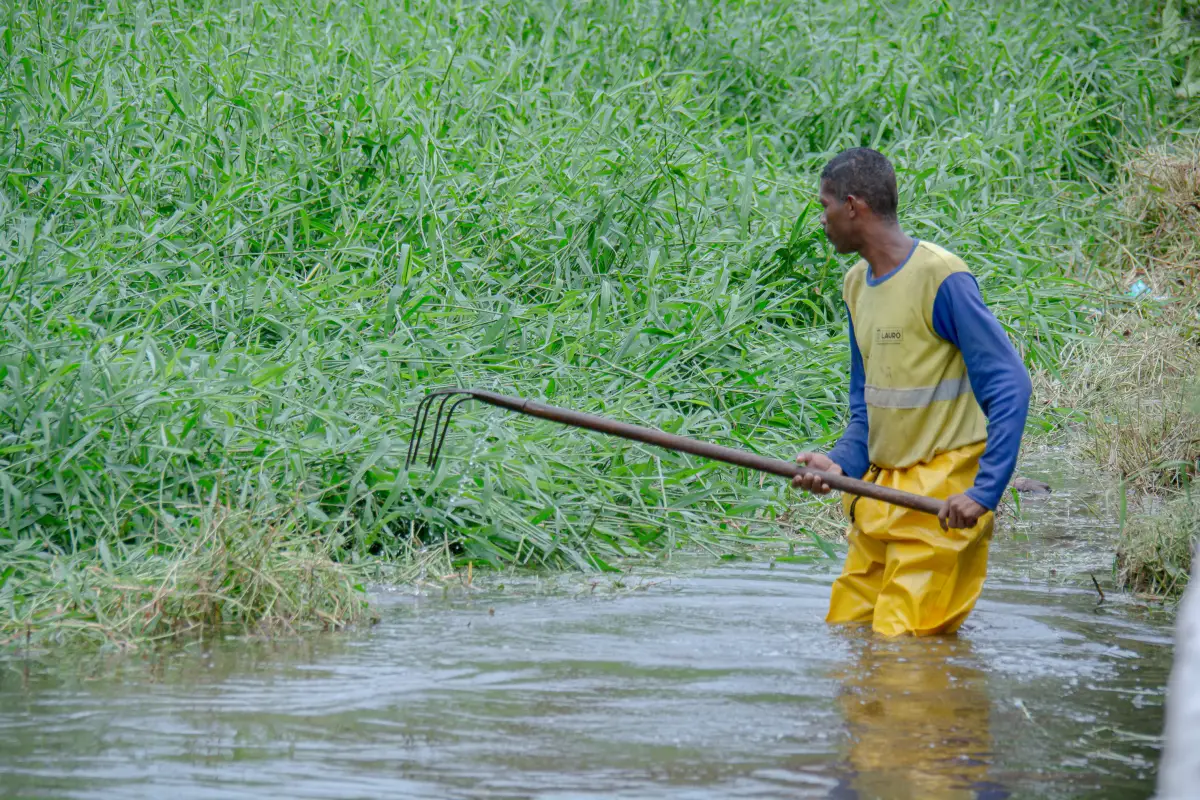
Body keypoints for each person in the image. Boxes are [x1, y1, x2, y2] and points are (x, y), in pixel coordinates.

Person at [793, 147, 1032, 637]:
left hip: (940, 504)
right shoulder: (856, 284)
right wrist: (839, 465)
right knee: (847, 632)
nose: (822, 219)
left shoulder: (942, 279)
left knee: (903, 655)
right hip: (880, 496)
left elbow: (1011, 386)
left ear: (853, 206)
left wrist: (984, 493)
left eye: (825, 205)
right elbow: (868, 404)